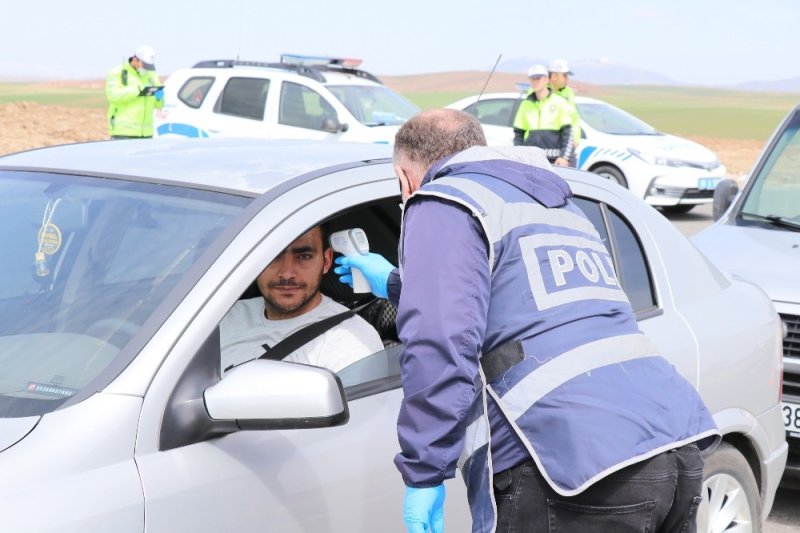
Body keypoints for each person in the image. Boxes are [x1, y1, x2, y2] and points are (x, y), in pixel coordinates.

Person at [335, 109, 719, 533]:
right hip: (671, 444)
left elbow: (440, 342)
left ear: (405, 177)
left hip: (571, 466)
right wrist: (395, 283)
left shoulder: (443, 201)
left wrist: (425, 470)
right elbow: (520, 304)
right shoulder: (560, 208)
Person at [220, 225, 383, 374]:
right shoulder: (225, 315)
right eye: (273, 255)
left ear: (326, 261)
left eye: (304, 256)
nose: (286, 273)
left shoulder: (350, 340)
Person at [512, 64, 574, 167]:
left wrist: (564, 157)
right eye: (532, 79)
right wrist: (519, 156)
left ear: (546, 79)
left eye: (538, 78)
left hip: (554, 161)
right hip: (530, 160)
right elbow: (518, 134)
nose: (535, 82)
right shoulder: (525, 105)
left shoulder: (560, 102)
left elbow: (568, 133)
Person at [104, 45, 165, 139]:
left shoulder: (151, 75)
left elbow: (159, 105)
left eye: (149, 65)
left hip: (146, 134)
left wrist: (160, 98)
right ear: (135, 59)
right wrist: (137, 90)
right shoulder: (118, 72)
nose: (147, 68)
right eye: (144, 65)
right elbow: (113, 96)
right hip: (124, 133)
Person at [548, 58, 581, 167]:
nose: (567, 79)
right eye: (565, 75)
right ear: (554, 76)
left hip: (567, 145)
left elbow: (574, 118)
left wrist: (576, 138)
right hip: (549, 146)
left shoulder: (568, 92)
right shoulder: (541, 93)